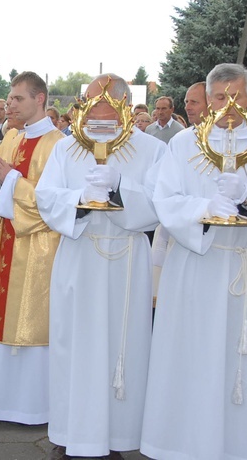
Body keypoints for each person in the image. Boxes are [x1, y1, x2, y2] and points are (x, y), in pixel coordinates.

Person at [141, 63, 247, 459]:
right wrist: (204, 208)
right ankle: (183, 446)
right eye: (220, 97)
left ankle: (240, 448)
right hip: (194, 267)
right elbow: (165, 200)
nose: (229, 105)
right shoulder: (185, 144)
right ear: (208, 98)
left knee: (238, 364)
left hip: (244, 267)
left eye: (238, 96)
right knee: (189, 359)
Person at [36, 74, 166, 458]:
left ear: (124, 104)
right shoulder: (68, 147)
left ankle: (119, 437)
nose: (93, 108)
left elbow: (161, 206)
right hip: (79, 257)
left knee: (124, 346)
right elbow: (46, 197)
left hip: (126, 260)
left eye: (103, 101)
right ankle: (72, 433)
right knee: (73, 346)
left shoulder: (149, 149)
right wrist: (80, 198)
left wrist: (120, 186)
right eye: (89, 100)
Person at [0, 71, 64, 425]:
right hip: (6, 241)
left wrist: (13, 181)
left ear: (40, 99)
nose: (10, 104)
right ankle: (0, 401)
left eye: (18, 98)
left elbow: (52, 205)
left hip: (38, 247)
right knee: (2, 318)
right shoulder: (9, 137)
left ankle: (35, 406)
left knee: (32, 321)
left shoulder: (59, 145)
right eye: (9, 98)